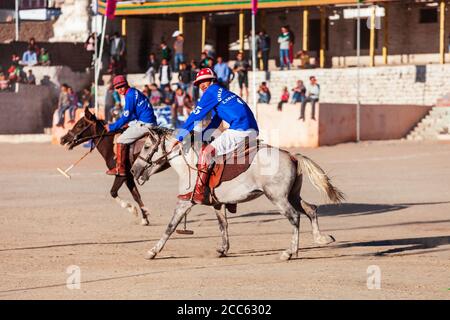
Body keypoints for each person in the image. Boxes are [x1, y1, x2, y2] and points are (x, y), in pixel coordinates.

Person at [174, 68, 259, 204]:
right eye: (199, 83)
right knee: (222, 155)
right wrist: (200, 137)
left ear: (212, 80)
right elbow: (215, 121)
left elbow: (196, 115)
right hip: (251, 129)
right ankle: (230, 199)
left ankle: (199, 192)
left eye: (204, 81)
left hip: (240, 129)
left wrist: (179, 136)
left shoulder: (211, 92)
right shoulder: (222, 93)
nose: (202, 85)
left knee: (206, 152)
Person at [104, 75, 157, 176]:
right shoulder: (134, 91)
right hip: (145, 119)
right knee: (125, 128)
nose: (120, 90)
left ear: (126, 85)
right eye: (117, 88)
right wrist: (128, 123)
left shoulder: (129, 95)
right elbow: (133, 114)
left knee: (120, 140)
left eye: (122, 86)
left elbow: (126, 116)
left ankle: (120, 168)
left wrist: (111, 127)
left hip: (145, 123)